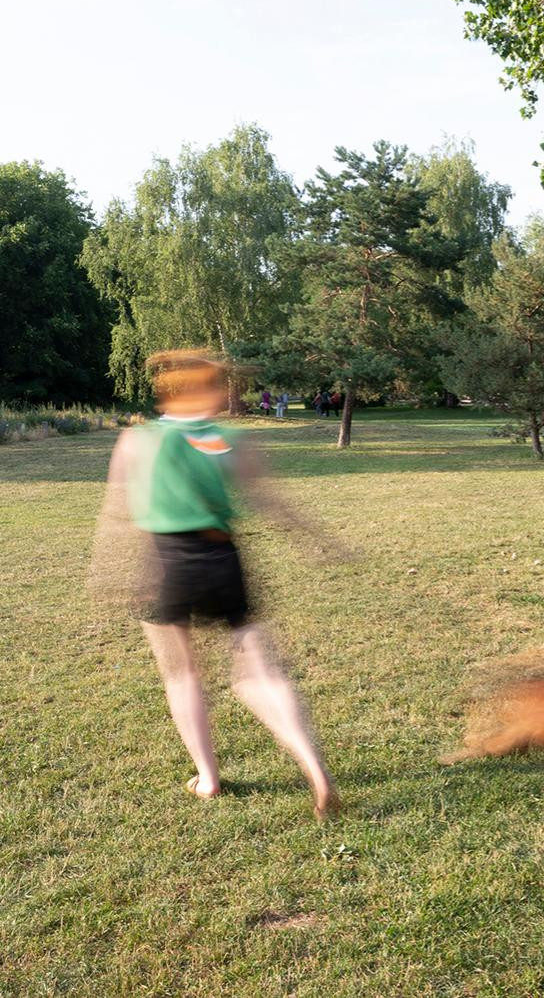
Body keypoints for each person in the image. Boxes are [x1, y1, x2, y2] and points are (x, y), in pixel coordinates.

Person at [91, 350, 339, 819]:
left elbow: (115, 515)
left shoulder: (136, 439)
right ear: (211, 392)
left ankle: (208, 778)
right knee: (260, 672)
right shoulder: (230, 441)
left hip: (166, 562)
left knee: (183, 675)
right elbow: (272, 503)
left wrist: (103, 571)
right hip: (223, 556)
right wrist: (320, 541)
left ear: (168, 393)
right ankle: (315, 769)